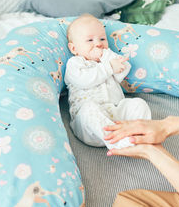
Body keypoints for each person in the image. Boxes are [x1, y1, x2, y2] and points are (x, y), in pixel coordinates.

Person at [64, 14, 151, 150]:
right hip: (90, 127)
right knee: (88, 110)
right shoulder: (75, 63)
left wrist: (107, 56)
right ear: (74, 48)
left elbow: (123, 68)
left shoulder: (108, 59)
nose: (98, 44)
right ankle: (119, 144)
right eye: (90, 40)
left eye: (102, 39)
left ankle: (137, 135)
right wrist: (109, 67)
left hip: (116, 115)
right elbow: (84, 80)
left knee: (138, 104)